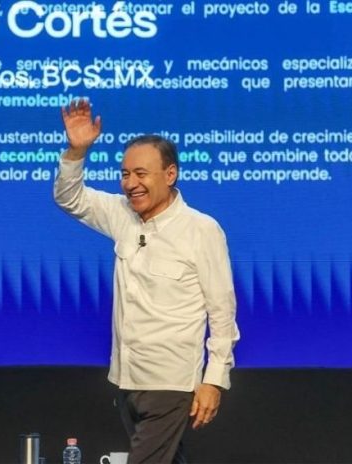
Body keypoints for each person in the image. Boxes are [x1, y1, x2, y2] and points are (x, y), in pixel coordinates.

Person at [54, 99, 240, 464]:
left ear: (170, 175)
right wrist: (77, 151)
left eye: (141, 174)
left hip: (170, 383)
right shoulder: (121, 215)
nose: (130, 184)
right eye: (125, 174)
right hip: (125, 379)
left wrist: (214, 379)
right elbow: (69, 198)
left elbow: (222, 311)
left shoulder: (201, 230)